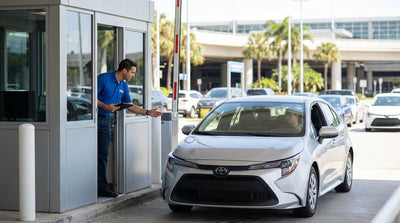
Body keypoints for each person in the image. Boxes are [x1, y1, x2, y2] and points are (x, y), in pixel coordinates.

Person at [97, 58, 162, 197]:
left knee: (102, 155)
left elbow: (130, 105)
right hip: (92, 120)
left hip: (106, 121)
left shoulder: (123, 86)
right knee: (87, 155)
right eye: (132, 72)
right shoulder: (103, 79)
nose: (133, 75)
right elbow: (91, 98)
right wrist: (105, 106)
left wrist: (147, 112)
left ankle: (101, 188)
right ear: (124, 70)